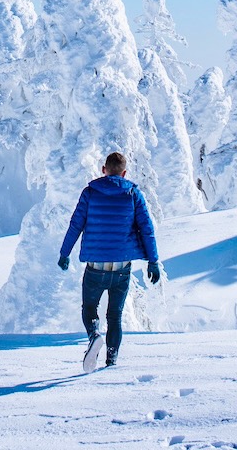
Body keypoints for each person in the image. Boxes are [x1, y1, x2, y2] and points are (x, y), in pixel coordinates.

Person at [58, 151, 161, 370]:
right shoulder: (133, 194)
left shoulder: (90, 193)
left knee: (89, 308)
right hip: (121, 269)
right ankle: (111, 360)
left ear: (104, 170)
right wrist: (153, 261)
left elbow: (75, 224)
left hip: (95, 268)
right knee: (115, 315)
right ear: (124, 173)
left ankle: (94, 334)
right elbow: (146, 229)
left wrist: (64, 253)